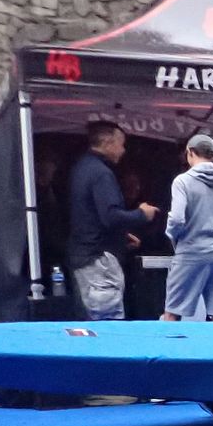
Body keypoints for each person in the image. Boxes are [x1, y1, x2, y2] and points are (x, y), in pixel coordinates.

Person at [66, 122, 156, 320]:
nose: (123, 150)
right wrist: (142, 214)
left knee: (93, 318)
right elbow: (110, 216)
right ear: (108, 142)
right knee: (107, 321)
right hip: (97, 260)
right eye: (121, 144)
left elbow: (90, 217)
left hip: (86, 255)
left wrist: (120, 237)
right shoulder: (100, 173)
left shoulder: (82, 168)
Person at [162, 134, 213, 322]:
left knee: (172, 312)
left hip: (190, 253)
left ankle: (169, 350)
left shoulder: (182, 182)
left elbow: (177, 220)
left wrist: (174, 237)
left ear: (190, 153)